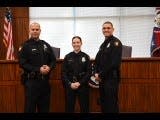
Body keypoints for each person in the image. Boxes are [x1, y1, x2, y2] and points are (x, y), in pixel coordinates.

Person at [18, 22, 56, 113]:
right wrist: (38, 69)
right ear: (30, 30)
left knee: (44, 108)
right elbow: (22, 63)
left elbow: (53, 60)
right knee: (30, 108)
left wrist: (49, 68)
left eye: (37, 29)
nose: (35, 31)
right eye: (33, 29)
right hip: (32, 82)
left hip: (45, 83)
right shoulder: (25, 46)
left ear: (40, 31)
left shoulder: (45, 45)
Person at [94, 21, 122, 113]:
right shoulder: (103, 45)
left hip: (111, 79)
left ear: (113, 29)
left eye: (108, 28)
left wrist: (100, 75)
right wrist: (96, 73)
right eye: (104, 28)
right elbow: (97, 61)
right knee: (104, 104)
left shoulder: (116, 43)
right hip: (102, 79)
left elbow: (114, 63)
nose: (106, 30)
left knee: (111, 105)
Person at [62, 36, 90, 113]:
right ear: (72, 44)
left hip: (82, 85)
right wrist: (69, 83)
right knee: (69, 108)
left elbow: (88, 73)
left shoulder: (86, 56)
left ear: (81, 43)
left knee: (84, 108)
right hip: (70, 85)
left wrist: (80, 83)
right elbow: (63, 73)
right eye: (74, 43)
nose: (76, 44)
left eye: (78, 42)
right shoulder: (67, 57)